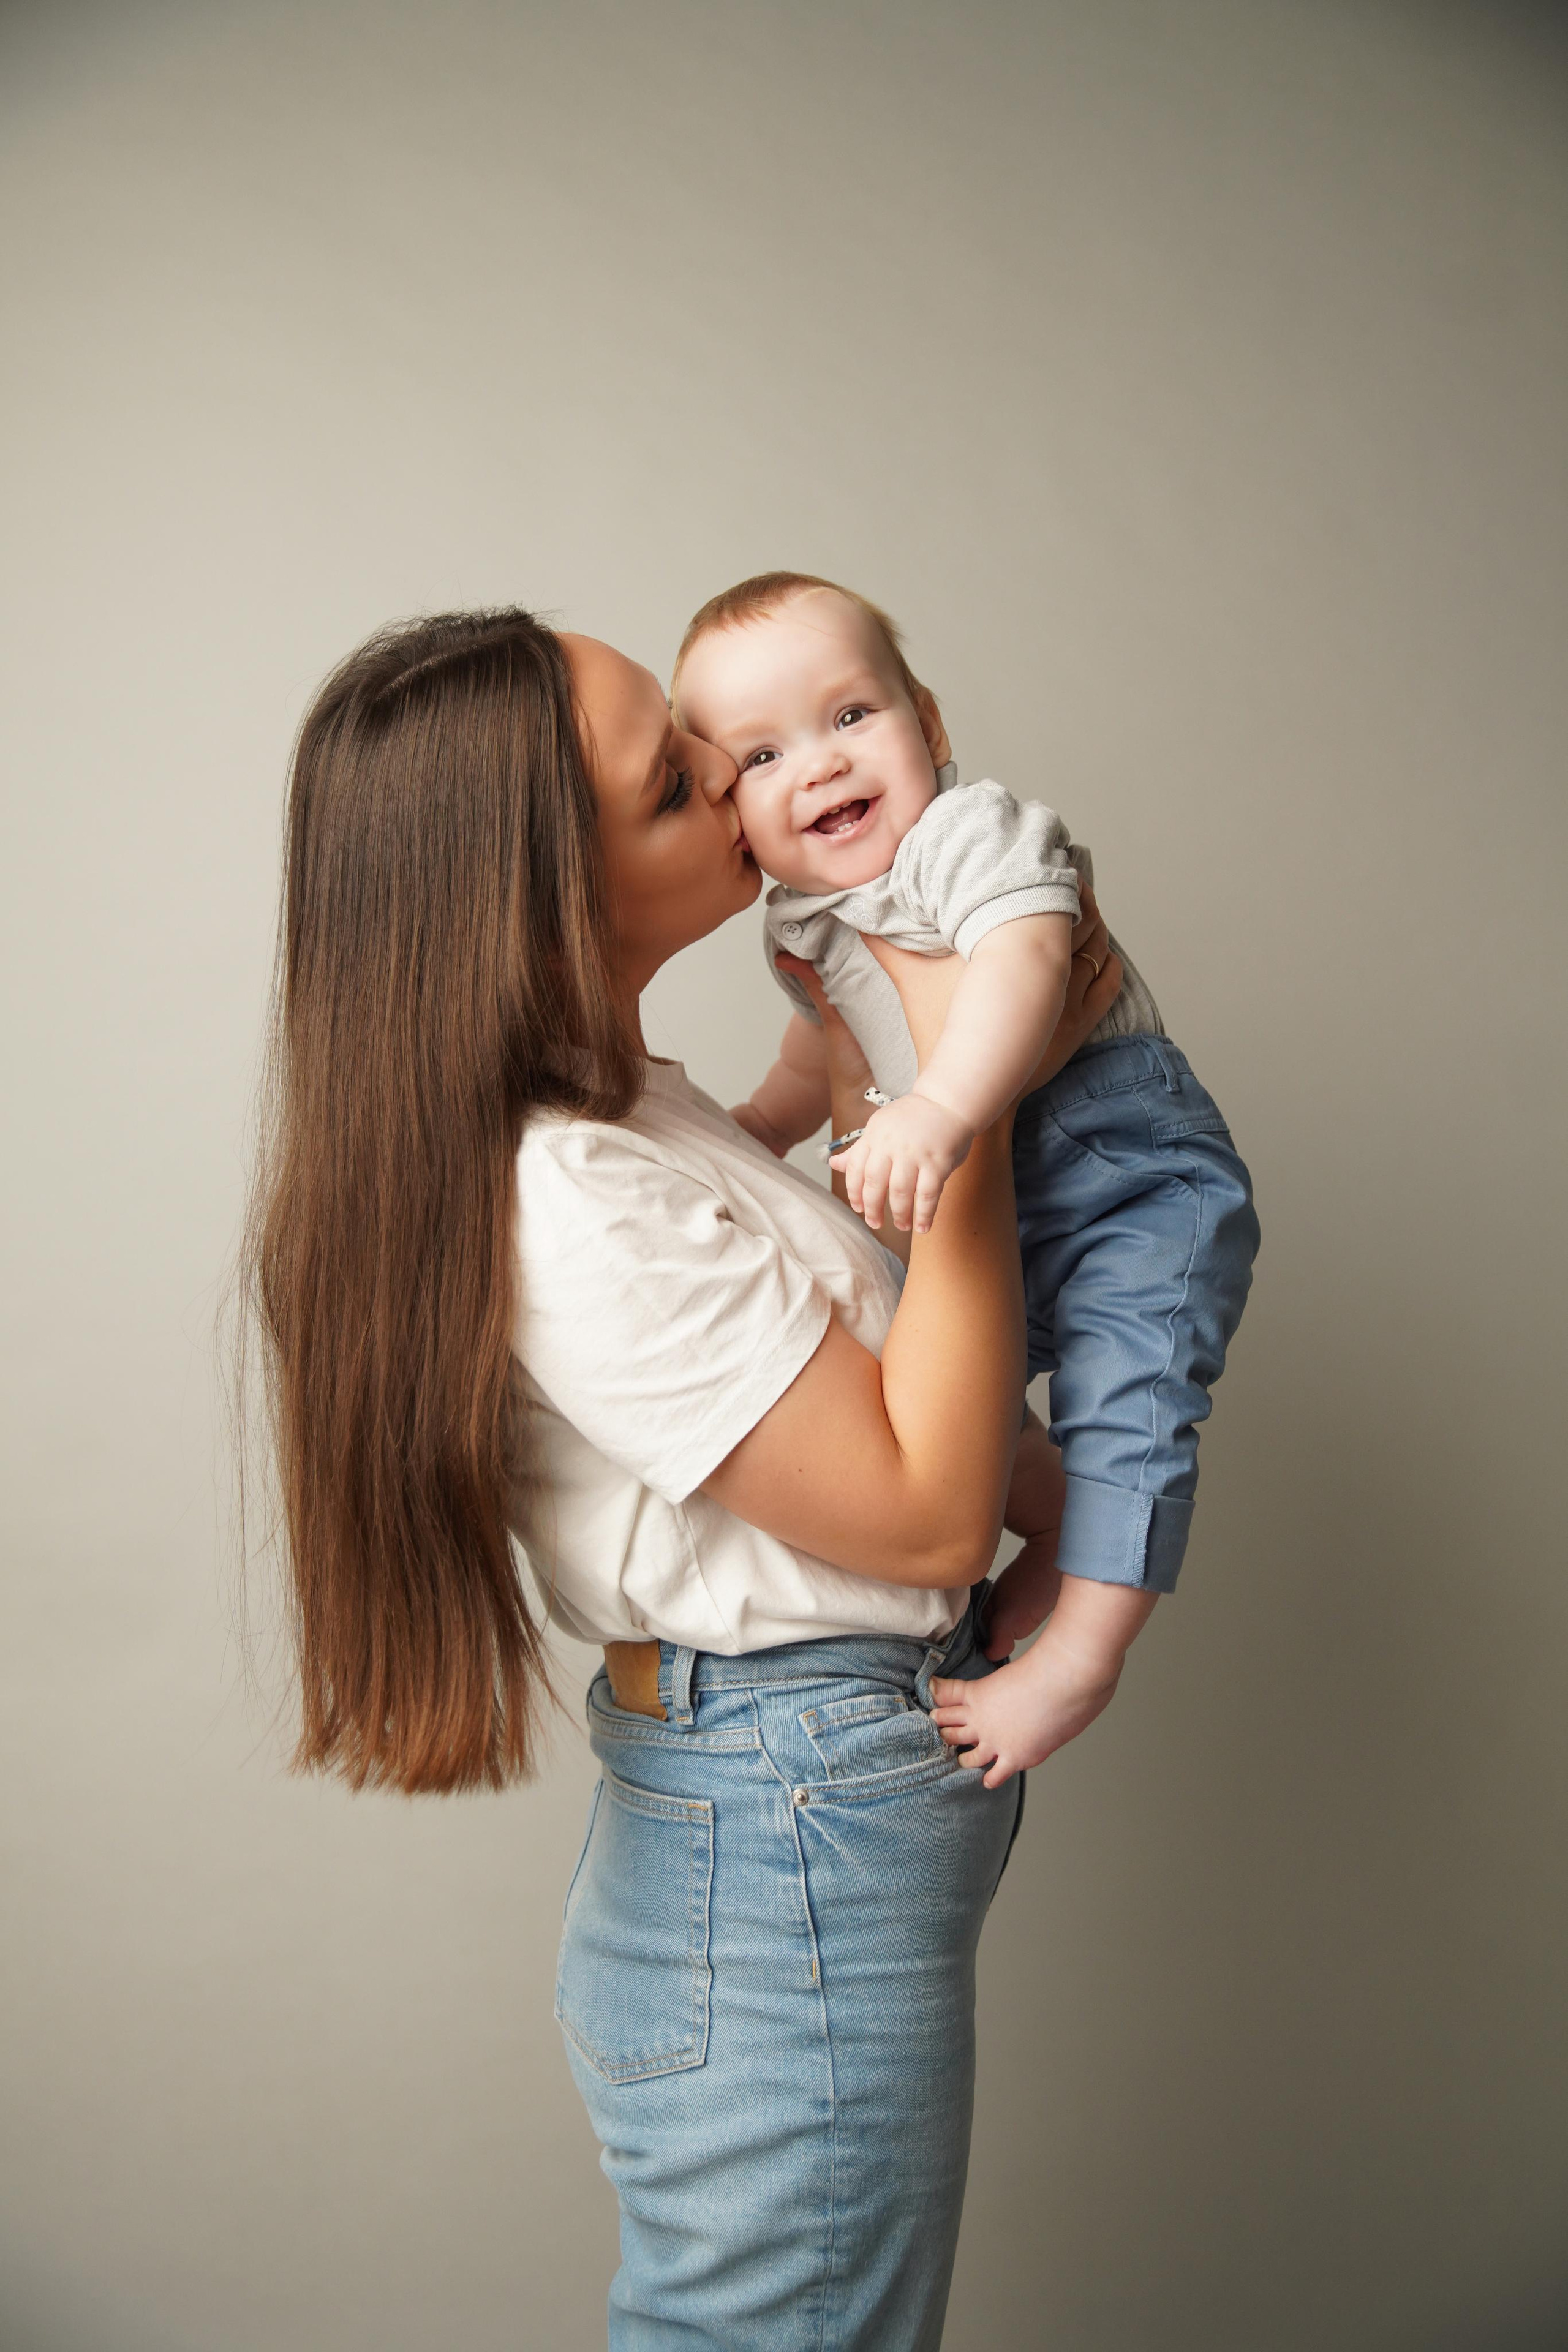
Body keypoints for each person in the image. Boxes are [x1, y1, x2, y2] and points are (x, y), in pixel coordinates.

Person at [246, 605, 1131, 2350]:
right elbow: (931, 1508)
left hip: (802, 1797)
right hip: (786, 1808)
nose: (743, 777)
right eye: (675, 779)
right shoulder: (568, 1202)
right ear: (543, 899)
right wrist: (972, 1083)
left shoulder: (644, 1112)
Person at [673, 571, 1261, 1786]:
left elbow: (1024, 961)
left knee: (1124, 1403)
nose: (821, 766)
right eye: (765, 754)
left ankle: (1080, 1656)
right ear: (734, 816)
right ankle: (1035, 1550)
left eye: (851, 717)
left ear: (927, 726)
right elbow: (819, 1039)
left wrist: (939, 1107)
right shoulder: (799, 919)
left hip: (1120, 1177)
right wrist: (765, 1121)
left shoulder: (964, 833)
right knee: (941, 1404)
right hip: (969, 1206)